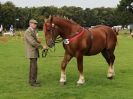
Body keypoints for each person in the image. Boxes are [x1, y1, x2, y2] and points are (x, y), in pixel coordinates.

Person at [24, 19, 43, 87]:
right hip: (31, 52)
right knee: (33, 67)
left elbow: (35, 40)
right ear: (30, 24)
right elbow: (32, 42)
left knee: (33, 67)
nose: (35, 25)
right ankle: (32, 82)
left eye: (36, 24)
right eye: (34, 23)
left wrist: (39, 42)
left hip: (34, 51)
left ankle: (32, 80)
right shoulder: (28, 31)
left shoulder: (33, 31)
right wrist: (41, 46)